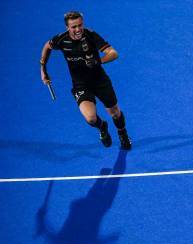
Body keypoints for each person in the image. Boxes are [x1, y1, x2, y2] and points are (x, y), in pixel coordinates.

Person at [39, 11, 131, 150]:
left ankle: (122, 133)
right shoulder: (61, 40)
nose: (78, 30)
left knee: (115, 113)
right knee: (91, 118)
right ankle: (102, 127)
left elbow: (113, 53)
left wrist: (97, 61)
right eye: (73, 27)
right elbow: (47, 46)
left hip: (100, 81)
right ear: (67, 28)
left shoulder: (91, 35)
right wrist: (43, 69)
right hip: (80, 84)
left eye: (80, 25)